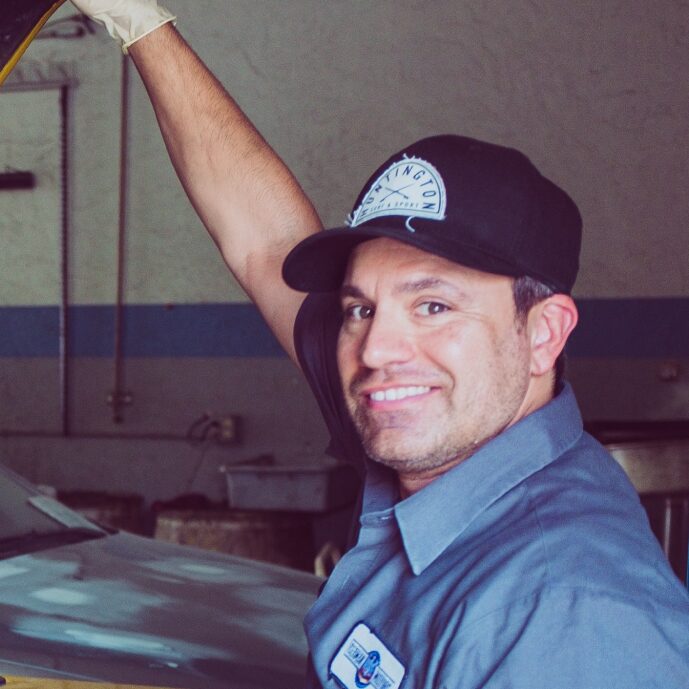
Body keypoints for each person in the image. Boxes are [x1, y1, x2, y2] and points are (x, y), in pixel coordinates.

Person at [70, 2, 689, 687]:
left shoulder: (568, 618)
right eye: (359, 308)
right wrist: (137, 20)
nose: (374, 351)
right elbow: (263, 246)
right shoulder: (438, 428)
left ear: (542, 332)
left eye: (433, 305)